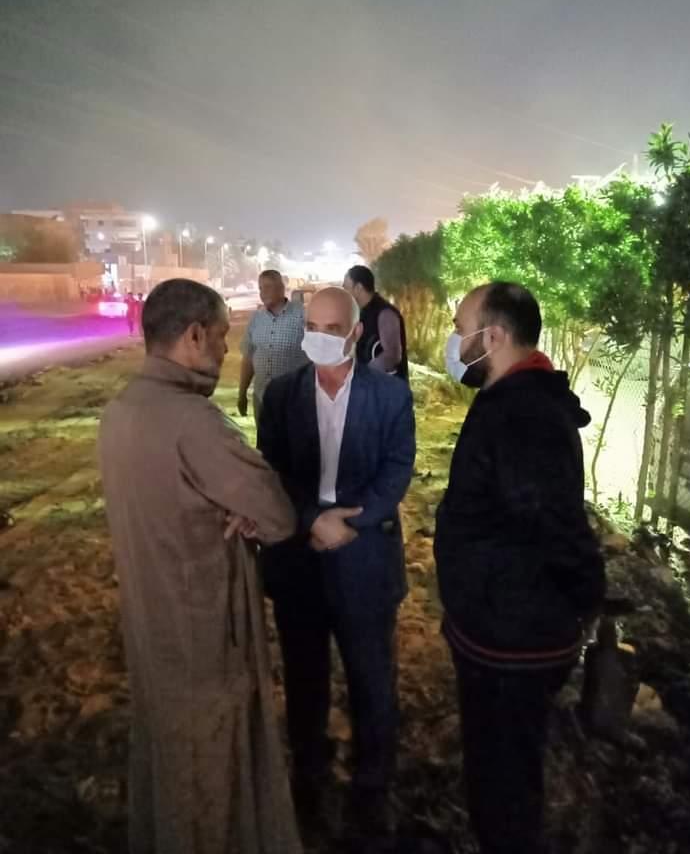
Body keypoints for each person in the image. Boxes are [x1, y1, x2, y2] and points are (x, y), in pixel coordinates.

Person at [98, 279, 302, 854]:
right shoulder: (195, 423)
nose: (226, 349)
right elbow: (277, 514)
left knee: (165, 752)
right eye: (218, 336)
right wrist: (247, 514)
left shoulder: (121, 411)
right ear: (192, 336)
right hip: (204, 627)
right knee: (211, 766)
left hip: (150, 621)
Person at [433, 281, 606, 854]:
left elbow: (555, 524)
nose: (455, 341)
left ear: (495, 336)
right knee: (499, 765)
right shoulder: (514, 399)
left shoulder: (522, 416)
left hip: (513, 637)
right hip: (499, 620)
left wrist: (587, 596)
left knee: (503, 780)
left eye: (461, 329)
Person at [257, 286, 415, 839]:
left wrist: (353, 521)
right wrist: (311, 520)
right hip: (300, 559)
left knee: (372, 681)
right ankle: (310, 779)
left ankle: (373, 789)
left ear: (356, 333)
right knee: (305, 680)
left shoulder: (390, 397)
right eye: (312, 328)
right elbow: (271, 473)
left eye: (333, 329)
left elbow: (397, 470)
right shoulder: (281, 395)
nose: (320, 338)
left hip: (363, 557)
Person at [238, 269, 306, 421]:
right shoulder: (256, 318)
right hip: (261, 399)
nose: (263, 293)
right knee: (263, 437)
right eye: (260, 288)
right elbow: (248, 358)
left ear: (281, 288)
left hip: (294, 400)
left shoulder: (302, 316)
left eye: (268, 287)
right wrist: (242, 393)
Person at [343, 265, 409, 379]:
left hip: (388, 387)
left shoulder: (385, 313)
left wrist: (365, 374)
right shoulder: (361, 312)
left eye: (346, 287)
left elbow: (392, 355)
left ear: (358, 288)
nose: (344, 292)